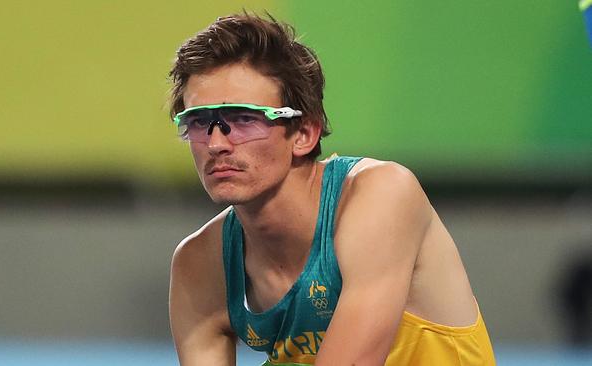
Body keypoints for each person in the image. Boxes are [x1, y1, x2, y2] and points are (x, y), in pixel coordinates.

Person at [168, 12, 495, 366]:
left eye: (244, 119)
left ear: (305, 133)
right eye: (199, 122)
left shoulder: (381, 195)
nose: (216, 144)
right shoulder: (199, 263)